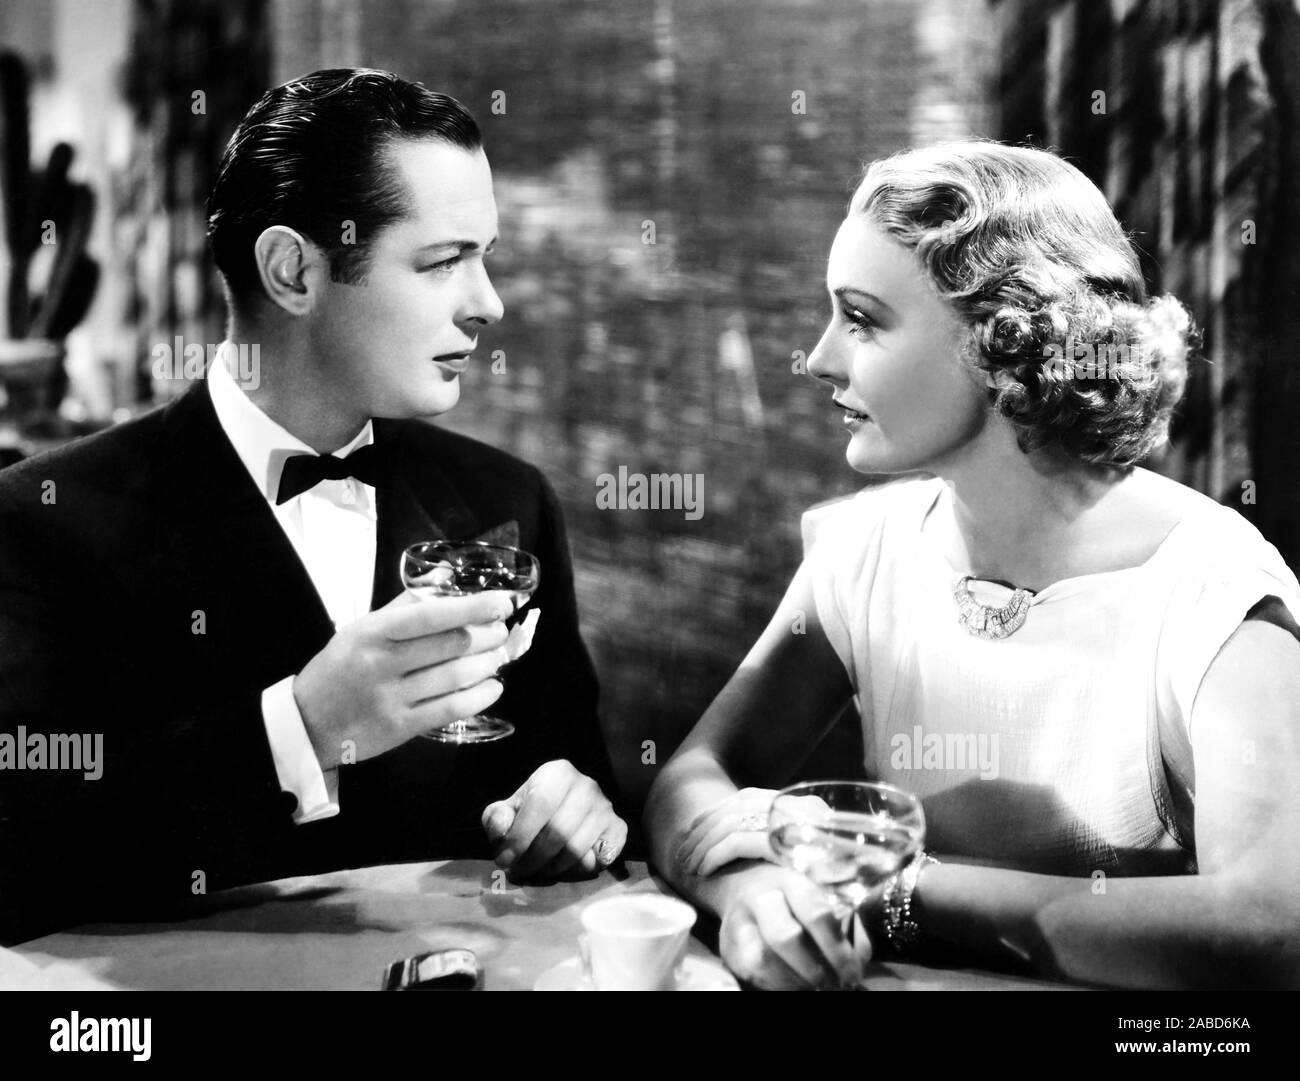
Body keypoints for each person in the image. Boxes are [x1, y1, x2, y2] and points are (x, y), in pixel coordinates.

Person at [645, 140, 1300, 990]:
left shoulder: (1214, 591)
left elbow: (1273, 928)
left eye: (862, 319)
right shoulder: (867, 549)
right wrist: (755, 888)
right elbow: (690, 780)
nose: (819, 359)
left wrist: (894, 892)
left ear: (1007, 342)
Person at [0, 69, 626, 946]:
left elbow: (578, 775)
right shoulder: (43, 519)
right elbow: (26, 856)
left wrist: (576, 808)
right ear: (293, 270)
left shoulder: (505, 501)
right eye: (445, 261)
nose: (489, 304)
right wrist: (303, 726)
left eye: (485, 258)